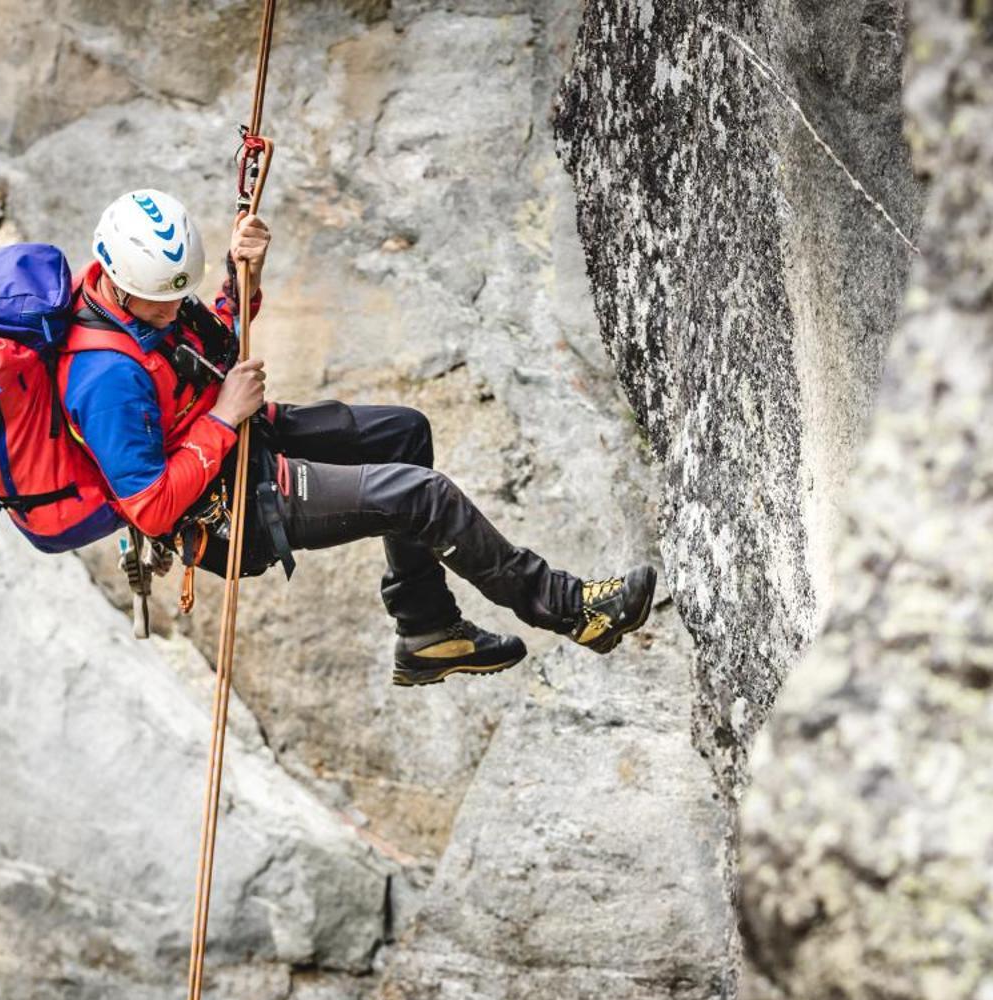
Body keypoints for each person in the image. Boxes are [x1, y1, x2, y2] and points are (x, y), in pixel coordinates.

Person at [59, 188, 657, 686]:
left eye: (174, 297)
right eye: (161, 302)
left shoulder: (143, 299)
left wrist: (243, 283)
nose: (172, 309)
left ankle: (426, 629)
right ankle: (573, 609)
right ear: (116, 279)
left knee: (404, 433)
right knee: (423, 496)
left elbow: (211, 342)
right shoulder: (105, 378)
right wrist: (221, 416)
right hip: (226, 507)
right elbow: (153, 508)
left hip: (243, 442)